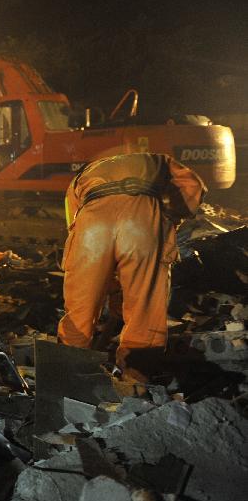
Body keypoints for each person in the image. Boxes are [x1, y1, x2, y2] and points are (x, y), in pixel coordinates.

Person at [57, 152, 206, 383]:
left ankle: (66, 375)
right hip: (142, 219)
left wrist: (112, 287)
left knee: (81, 306)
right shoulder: (159, 160)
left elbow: (74, 227)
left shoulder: (80, 178)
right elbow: (193, 186)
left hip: (92, 224)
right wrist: (172, 217)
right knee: (144, 307)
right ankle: (135, 378)